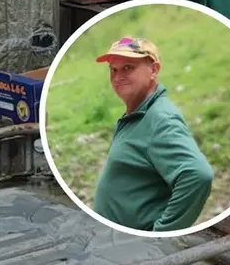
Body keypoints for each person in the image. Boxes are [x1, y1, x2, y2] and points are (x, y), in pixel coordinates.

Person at [92, 36, 214, 232]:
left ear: (154, 70)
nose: (117, 77)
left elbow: (198, 176)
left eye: (128, 68)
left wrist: (161, 234)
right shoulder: (137, 113)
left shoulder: (160, 119)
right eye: (113, 69)